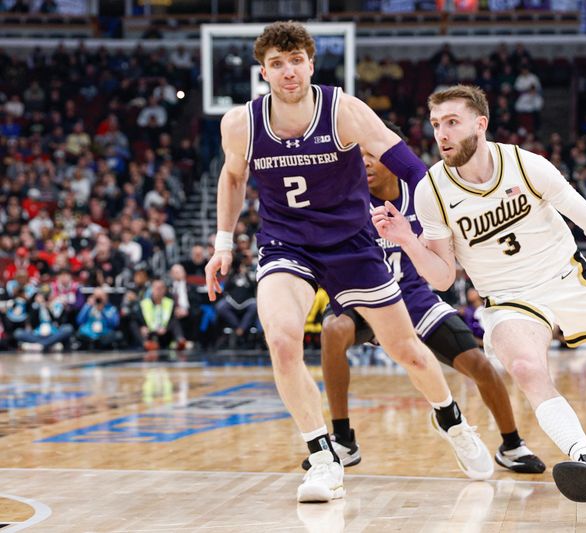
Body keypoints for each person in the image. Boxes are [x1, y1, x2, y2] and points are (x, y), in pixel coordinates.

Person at [204, 23, 491, 504]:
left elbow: (412, 168)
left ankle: (451, 420)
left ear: (311, 64)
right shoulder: (240, 124)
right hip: (285, 243)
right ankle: (323, 456)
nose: (288, 71)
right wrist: (223, 244)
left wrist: (427, 225)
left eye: (296, 61)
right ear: (263, 72)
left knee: (408, 350)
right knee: (280, 339)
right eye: (277, 63)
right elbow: (233, 178)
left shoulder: (344, 111)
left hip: (352, 243)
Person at [372, 85, 586, 508]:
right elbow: (442, 278)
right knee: (524, 366)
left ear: (481, 124)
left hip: (564, 278)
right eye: (437, 124)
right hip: (507, 297)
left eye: (452, 122)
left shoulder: (526, 165)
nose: (441, 134)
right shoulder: (432, 191)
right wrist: (407, 239)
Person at [304, 120, 545, 475]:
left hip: (414, 297)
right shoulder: (346, 201)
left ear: (392, 157)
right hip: (365, 298)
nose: (365, 163)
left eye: (373, 154)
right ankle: (343, 439)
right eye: (359, 157)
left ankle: (511, 445)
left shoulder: (421, 191)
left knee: (479, 364)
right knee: (333, 329)